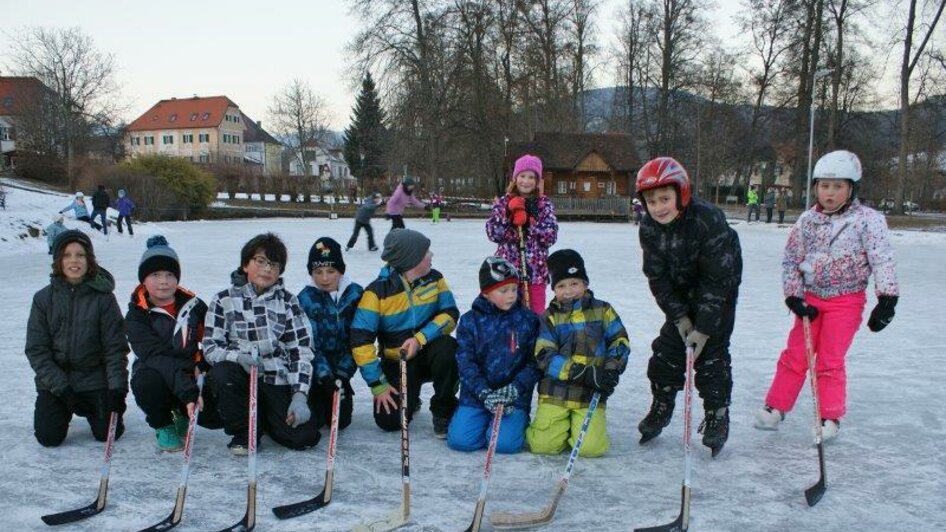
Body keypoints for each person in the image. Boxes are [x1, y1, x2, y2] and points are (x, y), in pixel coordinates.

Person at [753, 150, 899, 441]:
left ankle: (829, 416)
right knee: (796, 354)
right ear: (816, 187)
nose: (830, 193)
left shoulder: (867, 220)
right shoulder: (807, 220)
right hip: (811, 299)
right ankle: (776, 407)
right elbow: (792, 260)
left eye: (838, 186)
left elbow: (881, 258)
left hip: (846, 300)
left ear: (852, 188)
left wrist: (887, 298)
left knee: (829, 360)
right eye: (824, 186)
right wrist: (794, 296)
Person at [635, 157, 742, 457]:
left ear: (681, 194)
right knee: (667, 351)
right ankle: (662, 403)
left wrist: (705, 328)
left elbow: (717, 280)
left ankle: (717, 415)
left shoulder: (707, 220)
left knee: (711, 357)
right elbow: (657, 276)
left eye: (665, 198)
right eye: (651, 201)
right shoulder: (649, 228)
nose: (659, 207)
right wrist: (680, 317)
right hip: (681, 292)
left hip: (719, 291)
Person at [202, 233, 320, 455]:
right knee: (223, 374)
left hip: (276, 378)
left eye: (274, 265)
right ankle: (245, 431)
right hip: (240, 377)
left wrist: (299, 395)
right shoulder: (223, 300)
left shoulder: (288, 302)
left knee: (304, 437)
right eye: (261, 261)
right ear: (246, 264)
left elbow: (300, 350)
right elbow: (210, 347)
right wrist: (237, 358)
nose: (267, 269)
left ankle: (266, 419)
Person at [351, 228, 460, 437]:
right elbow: (360, 340)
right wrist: (378, 385)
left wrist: (420, 339)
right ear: (411, 260)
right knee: (390, 421)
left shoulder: (435, 279)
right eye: (426, 252)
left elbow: (450, 314)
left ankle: (443, 409)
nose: (431, 256)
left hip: (429, 353)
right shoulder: (376, 292)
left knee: (449, 347)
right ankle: (411, 395)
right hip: (398, 362)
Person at [25, 230, 129, 446]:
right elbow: (37, 350)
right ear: (58, 260)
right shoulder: (43, 299)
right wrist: (63, 390)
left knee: (107, 434)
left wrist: (118, 390)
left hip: (93, 378)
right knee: (48, 438)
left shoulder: (104, 298)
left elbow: (115, 347)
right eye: (66, 255)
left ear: (88, 259)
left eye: (80, 255)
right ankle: (62, 409)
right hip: (56, 383)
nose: (74, 260)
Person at [525, 249, 630, 457]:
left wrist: (610, 370)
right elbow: (544, 354)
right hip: (556, 391)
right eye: (561, 286)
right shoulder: (549, 317)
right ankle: (553, 427)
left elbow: (619, 341)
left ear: (585, 284)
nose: (569, 291)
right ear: (554, 289)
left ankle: (582, 427)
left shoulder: (603, 310)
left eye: (574, 283)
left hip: (591, 393)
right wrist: (579, 373)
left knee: (591, 449)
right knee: (542, 446)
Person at [126, 236, 222, 452]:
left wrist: (204, 363)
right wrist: (188, 392)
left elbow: (212, 339)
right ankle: (163, 423)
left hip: (188, 373)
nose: (163, 281)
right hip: (155, 373)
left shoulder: (194, 306)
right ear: (144, 279)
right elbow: (157, 358)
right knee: (147, 382)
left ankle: (181, 411)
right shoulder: (137, 315)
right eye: (155, 275)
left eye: (170, 274)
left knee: (215, 416)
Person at [447, 257, 541, 454]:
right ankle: (478, 418)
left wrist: (516, 388)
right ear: (486, 293)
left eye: (514, 289)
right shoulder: (469, 321)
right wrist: (483, 393)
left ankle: (516, 421)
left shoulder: (528, 320)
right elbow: (465, 363)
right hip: (477, 395)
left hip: (513, 398)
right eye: (503, 290)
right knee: (460, 441)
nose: (511, 296)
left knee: (504, 445)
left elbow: (535, 363)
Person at [298, 237, 364, 431]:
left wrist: (343, 374)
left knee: (340, 422)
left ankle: (341, 389)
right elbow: (310, 343)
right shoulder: (305, 298)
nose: (325, 278)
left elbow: (360, 339)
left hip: (342, 369)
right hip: (316, 371)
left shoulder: (356, 295)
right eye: (318, 272)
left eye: (331, 271)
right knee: (315, 421)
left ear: (341, 271)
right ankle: (316, 392)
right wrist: (325, 376)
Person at [485, 154, 559, 314]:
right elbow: (493, 233)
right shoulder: (504, 202)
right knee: (506, 316)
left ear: (538, 180)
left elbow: (551, 235)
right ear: (515, 178)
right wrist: (509, 219)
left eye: (531, 177)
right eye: (522, 176)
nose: (526, 181)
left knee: (535, 315)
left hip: (536, 273)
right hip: (507, 272)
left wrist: (530, 225)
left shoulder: (544, 204)